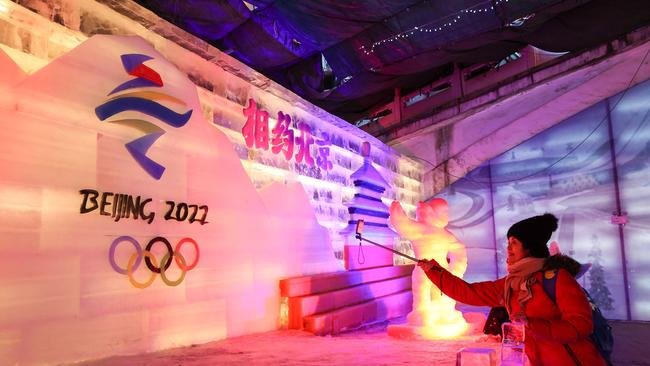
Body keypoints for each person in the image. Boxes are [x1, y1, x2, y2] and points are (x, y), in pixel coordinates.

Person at [418, 213, 606, 366]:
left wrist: (531, 325)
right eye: (508, 242)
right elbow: (469, 292)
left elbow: (580, 325)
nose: (508, 248)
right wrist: (434, 271)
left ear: (530, 247)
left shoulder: (558, 279)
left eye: (514, 243)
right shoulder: (511, 284)